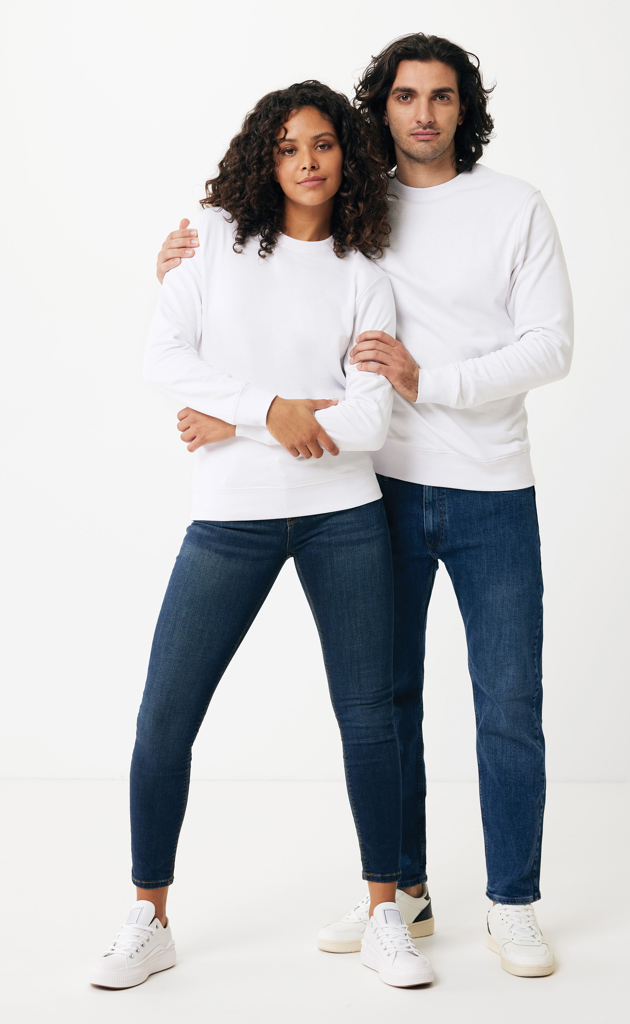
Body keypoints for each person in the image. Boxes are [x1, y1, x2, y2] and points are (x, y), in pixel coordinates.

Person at [156, 33, 573, 980]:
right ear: (379, 109)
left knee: (509, 704)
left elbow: (550, 346)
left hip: (492, 489)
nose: (422, 112)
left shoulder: (514, 207)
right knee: (386, 704)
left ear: (464, 108)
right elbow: (269, 298)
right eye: (404, 96)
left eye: (441, 95)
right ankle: (404, 894)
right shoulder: (353, 201)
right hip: (377, 485)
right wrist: (182, 265)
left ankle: (513, 902)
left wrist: (433, 381)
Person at [88, 80, 434, 991]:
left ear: (346, 156)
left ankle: (385, 913)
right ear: (263, 159)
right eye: (286, 148)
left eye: (322, 144)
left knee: (369, 717)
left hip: (343, 515)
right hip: (230, 515)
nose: (306, 162)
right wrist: (270, 409)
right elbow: (165, 357)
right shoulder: (211, 240)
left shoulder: (364, 276)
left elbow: (370, 420)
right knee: (165, 716)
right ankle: (149, 916)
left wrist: (236, 415)